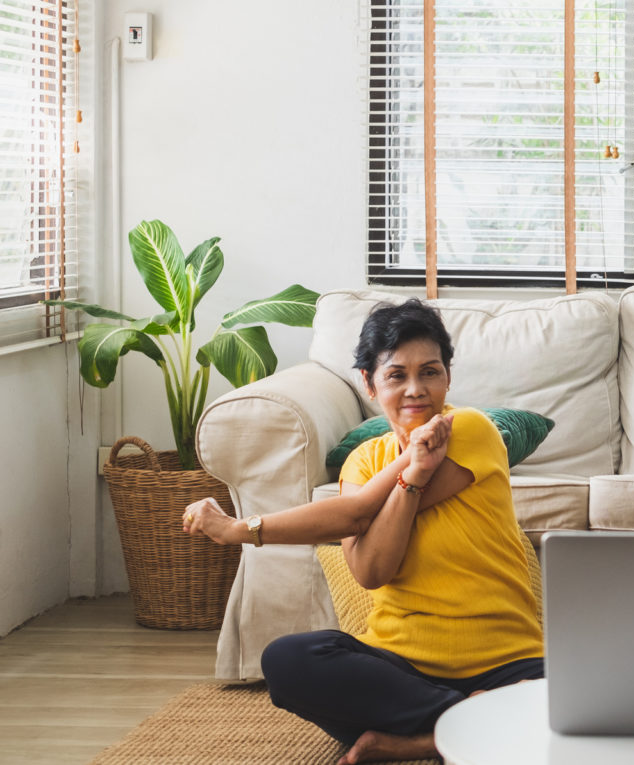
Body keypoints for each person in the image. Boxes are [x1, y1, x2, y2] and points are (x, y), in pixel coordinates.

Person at [183, 299, 542, 765]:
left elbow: (355, 515)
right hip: (400, 671)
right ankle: (473, 723)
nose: (416, 390)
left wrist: (239, 530)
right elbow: (373, 570)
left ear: (448, 377)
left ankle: (427, 738)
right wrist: (411, 477)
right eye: (397, 375)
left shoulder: (471, 428)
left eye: (430, 372)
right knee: (289, 661)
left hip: (506, 663)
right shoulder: (362, 462)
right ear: (369, 384)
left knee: (595, 698)